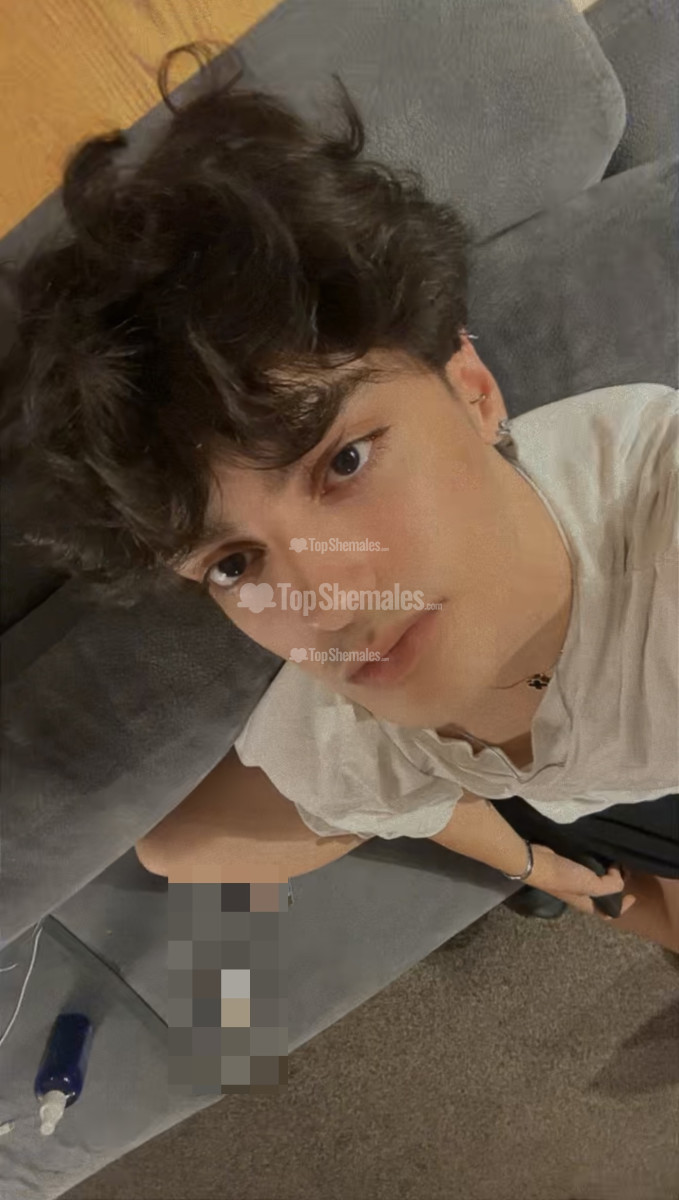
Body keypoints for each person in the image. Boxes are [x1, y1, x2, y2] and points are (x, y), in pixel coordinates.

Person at [2, 45, 677, 952]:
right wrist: (524, 861)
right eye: (234, 563)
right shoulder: (353, 727)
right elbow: (183, 849)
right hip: (574, 801)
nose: (322, 606)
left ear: (472, 389)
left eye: (344, 463)